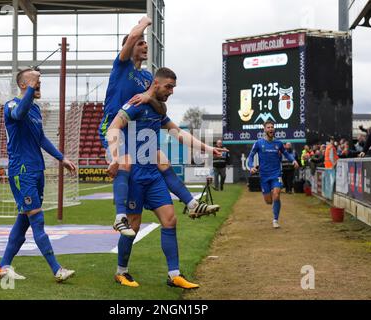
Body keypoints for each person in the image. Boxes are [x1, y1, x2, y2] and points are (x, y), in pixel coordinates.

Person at [99, 16, 220, 238]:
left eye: (146, 43)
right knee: (124, 161)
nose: (144, 45)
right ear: (129, 47)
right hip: (114, 125)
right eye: (140, 43)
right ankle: (119, 218)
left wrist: (149, 100)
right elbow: (134, 35)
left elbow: (160, 108)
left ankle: (192, 204)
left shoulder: (147, 76)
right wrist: (145, 22)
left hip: (136, 130)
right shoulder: (122, 65)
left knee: (160, 157)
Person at [107, 68, 223, 288]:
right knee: (133, 225)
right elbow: (114, 126)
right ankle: (121, 272)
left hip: (153, 175)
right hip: (134, 176)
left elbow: (178, 133)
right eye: (168, 86)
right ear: (156, 83)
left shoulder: (158, 109)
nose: (171, 91)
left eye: (173, 88)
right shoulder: (136, 104)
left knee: (170, 220)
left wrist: (208, 148)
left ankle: (174, 275)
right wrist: (114, 156)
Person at [0, 69, 77, 282]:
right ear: (23, 84)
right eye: (34, 80)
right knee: (37, 219)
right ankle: (57, 270)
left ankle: (3, 266)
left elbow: (41, 138)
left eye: (39, 81)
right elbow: (18, 114)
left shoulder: (36, 109)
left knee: (23, 221)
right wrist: (31, 87)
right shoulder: (11, 105)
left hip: (36, 170)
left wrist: (62, 158)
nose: (39, 83)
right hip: (22, 171)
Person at [247, 121, 299, 229]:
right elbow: (251, 156)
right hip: (264, 176)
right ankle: (274, 202)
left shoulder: (279, 143)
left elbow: (286, 154)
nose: (271, 129)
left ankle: (275, 219)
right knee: (268, 201)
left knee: (276, 194)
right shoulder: (258, 143)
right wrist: (251, 166)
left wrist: (293, 160)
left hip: (276, 174)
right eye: (268, 127)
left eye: (272, 127)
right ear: (265, 129)